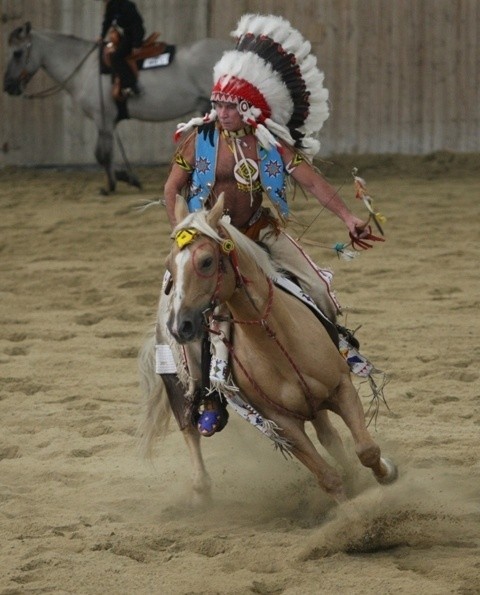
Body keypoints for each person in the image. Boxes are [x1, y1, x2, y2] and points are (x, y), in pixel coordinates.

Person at [160, 13, 381, 425]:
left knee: (317, 287)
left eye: (229, 106)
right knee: (181, 309)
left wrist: (348, 217)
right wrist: (181, 232)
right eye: (218, 104)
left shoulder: (270, 146)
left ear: (248, 108)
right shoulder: (197, 140)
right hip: (206, 242)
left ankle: (337, 350)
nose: (221, 112)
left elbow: (312, 183)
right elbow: (171, 188)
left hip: (258, 235)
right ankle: (203, 392)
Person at [100, 0, 145, 97]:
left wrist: (136, 44)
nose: (104, 2)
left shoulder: (127, 6)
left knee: (117, 57)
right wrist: (102, 36)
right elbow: (107, 21)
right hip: (126, 34)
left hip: (133, 35)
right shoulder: (111, 6)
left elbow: (137, 25)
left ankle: (132, 85)